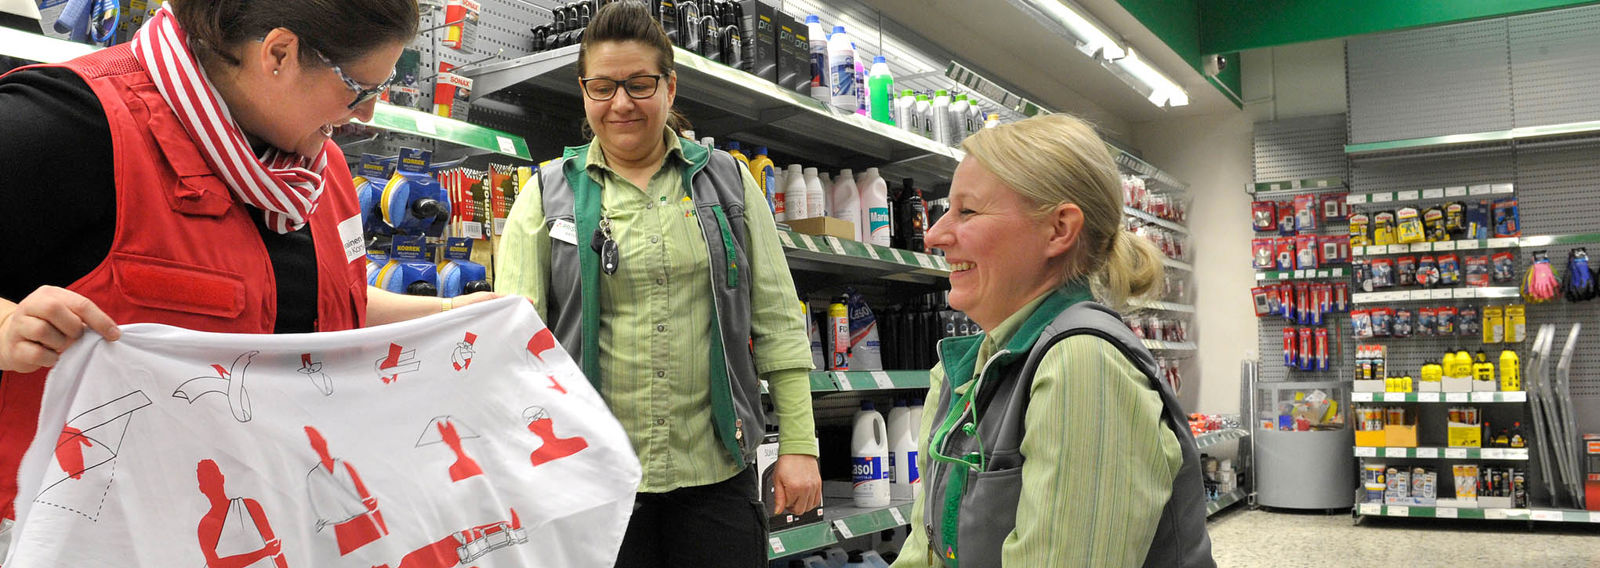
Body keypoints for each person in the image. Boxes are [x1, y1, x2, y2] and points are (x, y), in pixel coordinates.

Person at [0, 0, 500, 526]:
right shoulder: (69, 126)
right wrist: (8, 327)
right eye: (360, 89)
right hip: (80, 535)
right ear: (278, 53)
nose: (368, 114)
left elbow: (327, 299)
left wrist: (453, 313)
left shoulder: (315, 174)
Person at [494, 2, 820, 566]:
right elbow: (516, 349)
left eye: (639, 84)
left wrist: (799, 445)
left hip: (717, 474)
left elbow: (777, 322)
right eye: (602, 87)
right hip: (593, 481)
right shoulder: (545, 196)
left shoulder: (730, 183)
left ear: (669, 87)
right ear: (584, 92)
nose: (621, 103)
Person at [891, 114, 1215, 567]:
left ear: (1059, 230)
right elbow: (923, 552)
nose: (935, 234)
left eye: (967, 211)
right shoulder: (964, 367)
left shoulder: (1084, 364)